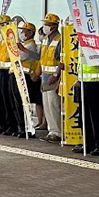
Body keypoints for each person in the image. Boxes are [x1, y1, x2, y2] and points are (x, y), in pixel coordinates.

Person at [73, 29, 99, 157]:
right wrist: (78, 78)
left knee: (97, 115)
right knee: (84, 115)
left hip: (97, 80)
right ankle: (88, 143)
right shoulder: (82, 35)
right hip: (84, 79)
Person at [12, 21, 40, 138]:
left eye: (24, 31)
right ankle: (21, 127)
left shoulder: (30, 46)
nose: (22, 33)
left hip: (26, 77)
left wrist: (20, 50)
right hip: (19, 75)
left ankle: (27, 128)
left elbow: (20, 56)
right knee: (17, 103)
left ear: (30, 33)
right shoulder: (23, 46)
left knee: (24, 103)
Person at [0, 15, 18, 135]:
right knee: (0, 100)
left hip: (7, 72)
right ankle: (3, 124)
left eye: (2, 24)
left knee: (7, 100)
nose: (0, 27)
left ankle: (11, 125)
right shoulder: (0, 39)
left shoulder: (11, 38)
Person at [39, 13, 62, 143]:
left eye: (48, 24)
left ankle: (57, 132)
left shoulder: (59, 39)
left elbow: (61, 59)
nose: (45, 26)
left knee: (54, 104)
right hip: (45, 76)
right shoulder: (46, 39)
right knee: (47, 105)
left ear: (55, 25)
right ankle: (51, 130)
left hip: (53, 77)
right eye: (45, 24)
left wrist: (56, 75)